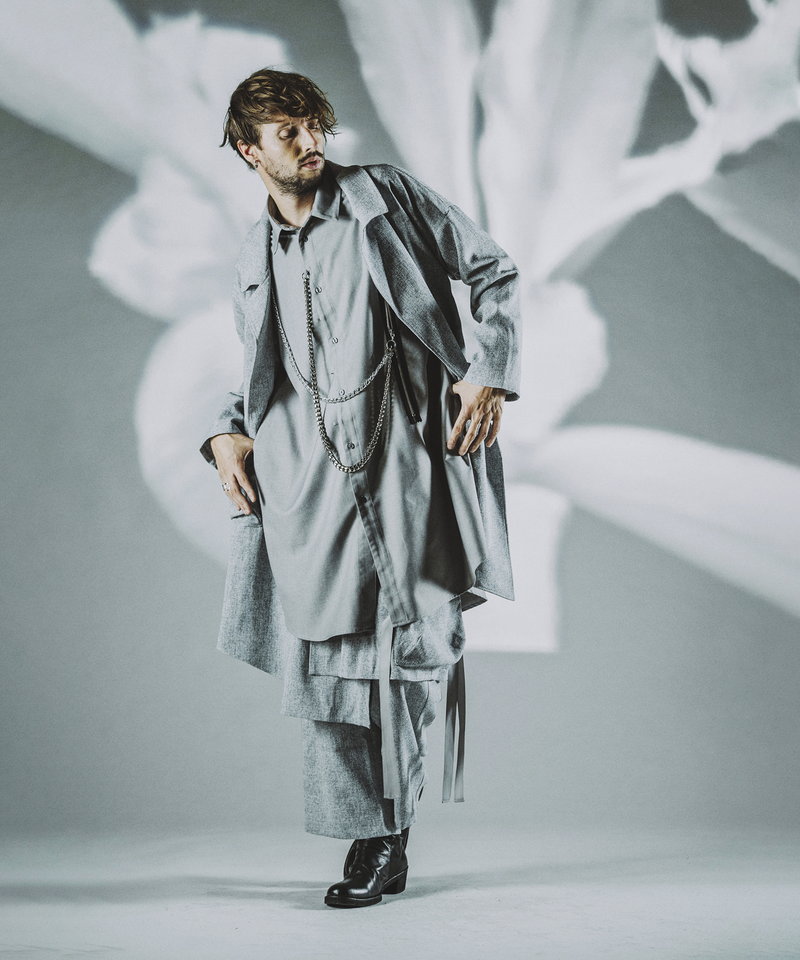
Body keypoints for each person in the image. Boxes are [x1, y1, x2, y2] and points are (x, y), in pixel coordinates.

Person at [199, 67, 522, 908]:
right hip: (306, 485)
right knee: (329, 669)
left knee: (408, 655)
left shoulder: (385, 199)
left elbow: (493, 270)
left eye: (315, 126)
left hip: (406, 466)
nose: (311, 144)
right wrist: (223, 430)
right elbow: (257, 367)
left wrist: (488, 372)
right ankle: (373, 838)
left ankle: (388, 833)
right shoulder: (254, 251)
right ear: (248, 150)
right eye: (288, 133)